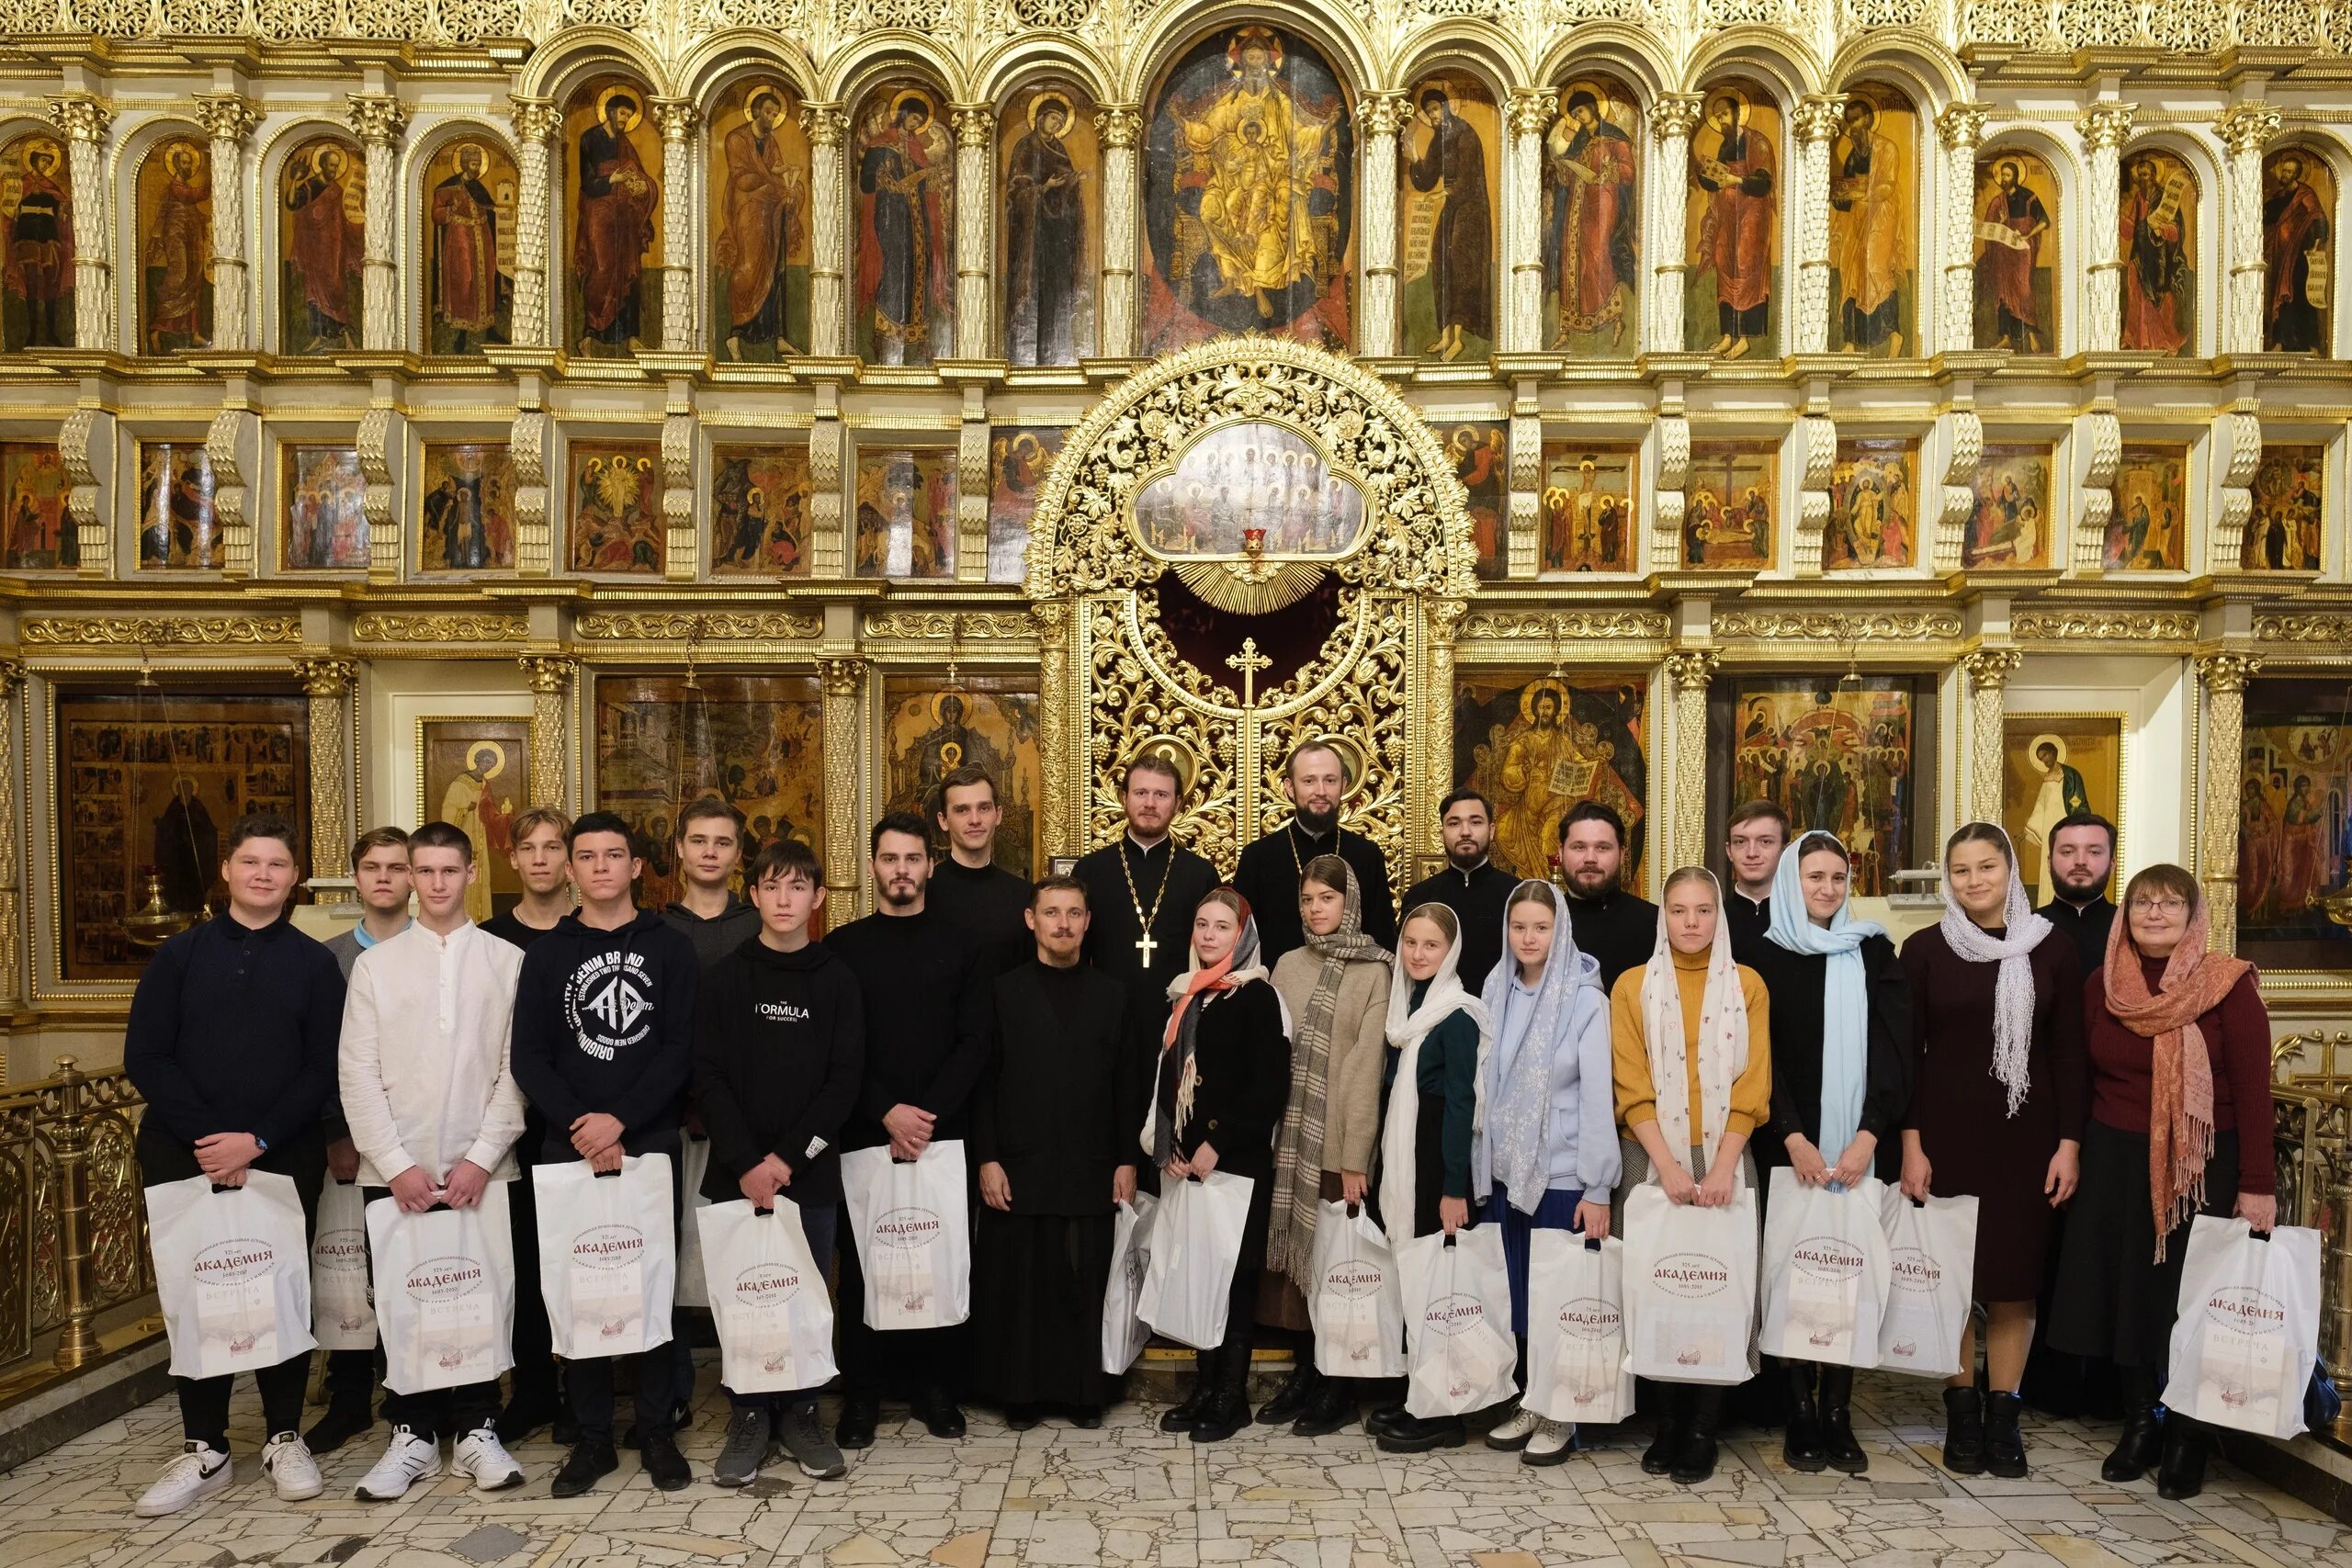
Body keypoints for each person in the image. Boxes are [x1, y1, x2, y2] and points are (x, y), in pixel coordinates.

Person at [125, 814, 345, 1517]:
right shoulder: (180, 955)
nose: (262, 874)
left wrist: (253, 1139)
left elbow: (321, 1067)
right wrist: (210, 1139)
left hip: (280, 1151)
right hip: (181, 1150)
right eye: (250, 861)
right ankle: (206, 1446)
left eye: (277, 864)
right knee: (200, 1288)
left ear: (293, 878)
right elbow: (146, 1055)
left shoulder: (313, 964)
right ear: (226, 871)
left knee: (277, 1285)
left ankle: (284, 1435)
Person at [2049, 864, 2276, 1501]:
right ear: (2125, 912)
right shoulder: (2104, 984)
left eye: (2171, 903)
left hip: (2203, 1162)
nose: (2155, 913)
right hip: (2115, 1156)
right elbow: (2082, 1074)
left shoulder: (2226, 984)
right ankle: (2139, 1422)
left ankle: (2187, 1435)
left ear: (2193, 915)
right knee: (2128, 1294)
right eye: (2143, 901)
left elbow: (2256, 1093)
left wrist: (2257, 1183)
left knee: (2191, 1299)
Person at [507, 811, 702, 1496]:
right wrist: (581, 1123)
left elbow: (680, 1048)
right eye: (585, 856)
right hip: (568, 1145)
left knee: (650, 1284)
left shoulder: (669, 948)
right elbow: (527, 1054)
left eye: (613, 855)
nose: (599, 867)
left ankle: (654, 1429)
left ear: (637, 866)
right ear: (570, 868)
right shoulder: (547, 954)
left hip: (647, 1142)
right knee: (580, 1289)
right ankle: (590, 1437)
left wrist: (622, 1118)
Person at [338, 821, 528, 1501]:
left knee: (478, 1296)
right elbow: (356, 1073)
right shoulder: (374, 966)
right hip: (397, 1174)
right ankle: (412, 1432)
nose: (439, 882)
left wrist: (481, 1156)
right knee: (404, 1296)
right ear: (412, 878)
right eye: (426, 871)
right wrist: (394, 1162)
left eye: (452, 869)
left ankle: (478, 1429)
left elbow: (515, 1071)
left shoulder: (506, 960)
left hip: (482, 1168)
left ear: (472, 872)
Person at [1900, 822, 2086, 1481]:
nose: (1974, 880)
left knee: (2013, 1282)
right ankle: (1962, 1414)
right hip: (1946, 1137)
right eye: (1960, 870)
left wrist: (2069, 1143)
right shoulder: (1923, 949)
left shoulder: (2053, 948)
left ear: (2011, 868)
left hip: (2029, 1138)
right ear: (1947, 879)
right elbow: (1905, 1059)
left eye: (1987, 866)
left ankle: (2004, 1415)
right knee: (1952, 1280)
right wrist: (1911, 1143)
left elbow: (2068, 1054)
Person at [695, 836, 862, 1487]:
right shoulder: (726, 977)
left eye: (798, 886)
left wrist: (788, 1159)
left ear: (818, 897)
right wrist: (746, 1162)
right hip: (736, 1173)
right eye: (771, 885)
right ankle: (748, 1415)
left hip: (809, 1175)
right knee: (746, 1298)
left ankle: (799, 1412)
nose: (784, 898)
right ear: (754, 894)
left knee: (803, 1295)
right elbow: (707, 1077)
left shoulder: (836, 979)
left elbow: (843, 1082)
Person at [823, 812, 994, 1447]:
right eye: (889, 858)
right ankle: (862, 1394)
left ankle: (934, 1389)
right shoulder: (841, 948)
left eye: (913, 858)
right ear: (872, 866)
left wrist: (923, 1117)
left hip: (941, 1134)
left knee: (937, 1261)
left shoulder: (964, 944)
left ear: (930, 864)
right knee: (868, 1265)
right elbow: (837, 1050)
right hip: (866, 1132)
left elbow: (975, 1042)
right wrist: (885, 1111)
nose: (901, 870)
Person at [1748, 835, 1910, 1475]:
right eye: (1814, 876)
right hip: (1785, 1143)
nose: (1827, 889)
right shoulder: (1762, 955)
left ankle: (1839, 1411)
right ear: (1792, 879)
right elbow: (1757, 1056)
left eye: (1838, 877)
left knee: (1845, 1271)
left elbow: (1895, 1049)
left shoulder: (1871, 950)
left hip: (1857, 1146)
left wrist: (1869, 1133)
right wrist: (1791, 1135)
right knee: (1792, 1272)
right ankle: (1800, 1410)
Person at [1610, 867, 1772, 1486]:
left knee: (1717, 1287)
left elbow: (1752, 1082)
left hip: (1729, 1154)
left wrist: (1725, 1163)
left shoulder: (1747, 985)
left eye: (1704, 910)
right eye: (1678, 910)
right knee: (1658, 1285)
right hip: (1651, 1156)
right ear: (1663, 917)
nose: (1692, 922)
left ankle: (1703, 1426)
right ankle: (1667, 1421)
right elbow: (1631, 1083)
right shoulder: (1632, 987)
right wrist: (1670, 1165)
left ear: (1718, 916)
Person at [971, 877, 1139, 1427]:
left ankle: (1082, 1393)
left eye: (1073, 913)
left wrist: (1125, 1158)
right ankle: (1020, 1394)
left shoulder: (1113, 994)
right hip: (1018, 1161)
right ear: (1031, 920)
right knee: (1021, 1282)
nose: (1062, 924)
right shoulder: (1003, 992)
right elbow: (986, 1083)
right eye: (1051, 913)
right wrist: (988, 1157)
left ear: (1088, 922)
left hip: (1091, 1162)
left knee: (1081, 1280)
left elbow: (1125, 1085)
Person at [1475, 880, 1615, 1466]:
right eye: (1519, 927)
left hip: (1560, 1173)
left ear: (1561, 931)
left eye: (1541, 927)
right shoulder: (1494, 989)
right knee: (1520, 1296)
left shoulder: (1585, 1000)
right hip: (1508, 1169)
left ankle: (1563, 1412)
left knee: (1562, 1297)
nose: (1529, 938)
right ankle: (1533, 1399)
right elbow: (1488, 1087)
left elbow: (1597, 1098)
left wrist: (1599, 1186)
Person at [1153, 889, 1292, 1446]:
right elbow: (1170, 1081)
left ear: (1243, 936)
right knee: (1197, 1274)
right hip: (1189, 1165)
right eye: (1201, 924)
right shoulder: (1188, 995)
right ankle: (1204, 1387)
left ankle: (1231, 1398)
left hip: (1236, 1164)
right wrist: (1172, 1146)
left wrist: (1218, 1142)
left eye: (1222, 927)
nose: (1209, 935)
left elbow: (1268, 1087)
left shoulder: (1258, 996)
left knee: (1232, 1282)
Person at [1260, 857, 1392, 1435]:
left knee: (1339, 1268)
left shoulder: (1375, 970)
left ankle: (1338, 1383)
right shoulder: (1286, 964)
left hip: (1337, 1144)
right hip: (1288, 1140)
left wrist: (1354, 1157)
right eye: (1308, 899)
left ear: (1351, 903)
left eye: (1327, 899)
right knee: (1297, 1271)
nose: (1316, 909)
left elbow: (1365, 1067)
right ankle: (1306, 1371)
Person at [1365, 903, 1492, 1453]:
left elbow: (1462, 1105)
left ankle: (1445, 1413)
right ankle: (1422, 1389)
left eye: (1431, 946)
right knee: (1412, 1281)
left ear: (1451, 952)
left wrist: (1453, 1189)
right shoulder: (1406, 1008)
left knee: (1440, 1286)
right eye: (1410, 943)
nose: (1418, 954)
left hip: (1437, 1166)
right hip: (1405, 1161)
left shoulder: (1457, 1015)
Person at [309, 826, 413, 1457]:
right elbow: (320, 1053)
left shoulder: (439, 951)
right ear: (356, 877)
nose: (383, 878)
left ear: (413, 878)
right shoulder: (328, 958)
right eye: (371, 866)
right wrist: (335, 1130)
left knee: (409, 1266)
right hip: (350, 1142)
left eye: (396, 867)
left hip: (419, 1142)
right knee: (348, 1270)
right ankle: (349, 1396)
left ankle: (411, 1394)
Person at [480, 805, 573, 1444]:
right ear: (511, 858)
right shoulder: (486, 940)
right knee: (524, 1260)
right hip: (509, 1127)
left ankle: (589, 1387)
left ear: (570, 858)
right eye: (529, 848)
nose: (540, 858)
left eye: (553, 847)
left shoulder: (591, 931)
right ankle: (534, 1386)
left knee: (583, 1257)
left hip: (580, 1125)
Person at [1076, 753, 1220, 1060]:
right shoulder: (1090, 871)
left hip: (1178, 1021)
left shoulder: (1200, 874)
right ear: (1124, 798)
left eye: (1161, 794)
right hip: (1104, 1023)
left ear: (1178, 803)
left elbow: (1216, 959)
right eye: (1141, 793)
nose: (1150, 803)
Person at [1234, 740, 1398, 966]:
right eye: (1309, 781)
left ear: (1343, 785)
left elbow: (1383, 938)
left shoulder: (1367, 855)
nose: (1320, 792)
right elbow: (1242, 944)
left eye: (1330, 781)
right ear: (1290, 788)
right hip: (1274, 990)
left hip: (1353, 991)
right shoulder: (1258, 858)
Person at [924, 763, 1035, 974]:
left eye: (984, 808)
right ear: (943, 820)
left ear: (998, 815)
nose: (974, 820)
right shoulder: (923, 892)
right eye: (962, 810)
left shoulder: (1024, 896)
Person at [1400, 789, 1513, 994]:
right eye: (1454, 823)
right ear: (1441, 831)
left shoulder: (1516, 895)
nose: (1465, 832)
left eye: (1475, 822)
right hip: (1434, 1016)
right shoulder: (1419, 897)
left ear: (1491, 830)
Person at [1557, 801, 1657, 987]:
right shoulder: (1543, 925)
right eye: (1579, 847)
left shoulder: (1654, 923)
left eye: (1602, 847)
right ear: (1561, 853)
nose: (1590, 859)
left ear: (1622, 854)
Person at [662, 796, 758, 967]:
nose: (710, 852)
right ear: (680, 848)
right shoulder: (658, 930)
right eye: (698, 841)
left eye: (722, 843)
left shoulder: (759, 927)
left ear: (738, 854)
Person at [2038, 811, 2118, 972]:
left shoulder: (2131, 928)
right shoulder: (2023, 929)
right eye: (2067, 852)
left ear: (2113, 864)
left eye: (2094, 852)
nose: (2080, 861)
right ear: (2049, 863)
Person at [1722, 799, 1788, 962]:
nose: (1751, 853)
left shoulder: (1803, 920)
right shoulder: (1713, 918)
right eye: (1740, 842)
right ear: (1729, 851)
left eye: (1765, 841)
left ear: (1785, 851)